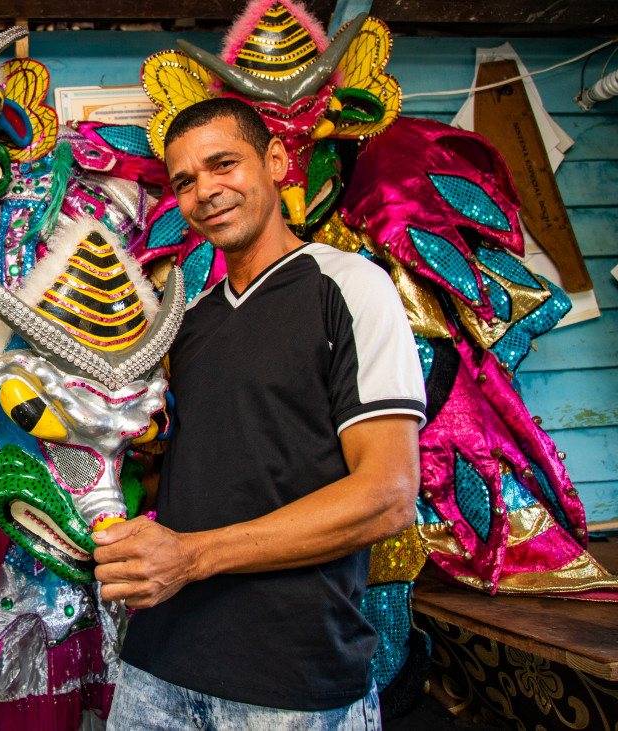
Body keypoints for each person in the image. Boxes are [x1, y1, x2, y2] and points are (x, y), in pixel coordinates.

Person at [95, 98, 426, 729]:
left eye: (223, 164)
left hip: (292, 683)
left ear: (275, 161)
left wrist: (192, 557)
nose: (205, 191)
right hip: (156, 667)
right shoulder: (186, 326)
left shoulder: (349, 287)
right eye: (184, 181)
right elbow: (188, 480)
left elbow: (387, 497)